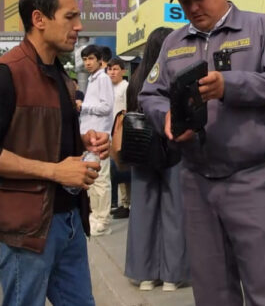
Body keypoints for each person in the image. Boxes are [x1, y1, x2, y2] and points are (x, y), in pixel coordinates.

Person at [139, 0, 265, 306]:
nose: (193, 7)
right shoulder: (173, 43)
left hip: (253, 180)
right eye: (185, 1)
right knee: (212, 292)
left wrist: (231, 85)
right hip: (197, 182)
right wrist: (165, 118)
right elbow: (150, 94)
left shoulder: (261, 28)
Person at [0, 0, 108, 306]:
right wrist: (55, 171)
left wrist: (83, 141)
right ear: (39, 19)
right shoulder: (5, 74)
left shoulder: (60, 75)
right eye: (70, 17)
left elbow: (41, 136)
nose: (78, 26)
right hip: (28, 228)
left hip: (70, 220)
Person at [124, 27, 190, 292]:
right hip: (174, 148)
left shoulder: (136, 80)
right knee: (175, 211)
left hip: (141, 150)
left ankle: (145, 275)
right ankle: (173, 276)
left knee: (142, 211)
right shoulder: (177, 75)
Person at [79, 44, 115, 236]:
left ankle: (103, 221)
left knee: (100, 180)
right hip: (88, 137)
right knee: (91, 180)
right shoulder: (92, 80)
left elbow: (107, 107)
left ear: (100, 60)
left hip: (99, 138)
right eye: (85, 59)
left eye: (91, 59)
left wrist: (83, 107)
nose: (87, 63)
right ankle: (95, 217)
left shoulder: (103, 79)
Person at [107, 56, 131, 219]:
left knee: (124, 168)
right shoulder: (108, 88)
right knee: (117, 170)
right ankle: (124, 203)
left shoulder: (126, 87)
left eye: (115, 69)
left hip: (122, 132)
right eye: (109, 69)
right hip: (110, 133)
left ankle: (129, 204)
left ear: (123, 71)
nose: (112, 72)